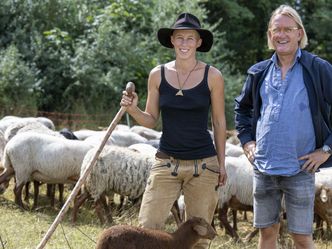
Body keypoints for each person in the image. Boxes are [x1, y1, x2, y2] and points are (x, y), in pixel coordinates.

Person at [120, 13, 227, 249]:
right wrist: (133, 108)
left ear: (199, 42)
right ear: (172, 41)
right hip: (166, 162)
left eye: (190, 38)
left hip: (203, 165)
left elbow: (219, 123)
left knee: (198, 237)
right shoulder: (157, 74)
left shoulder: (213, 76)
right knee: (147, 229)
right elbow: (149, 120)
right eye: (180, 38)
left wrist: (222, 163)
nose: (185, 43)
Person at [235, 4, 332, 249]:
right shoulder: (259, 72)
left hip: (300, 167)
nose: (282, 34)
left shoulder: (318, 69)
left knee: (301, 237)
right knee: (267, 234)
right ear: (270, 35)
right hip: (264, 167)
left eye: (288, 29)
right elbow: (242, 110)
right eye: (276, 29)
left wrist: (327, 149)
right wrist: (247, 142)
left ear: (299, 33)